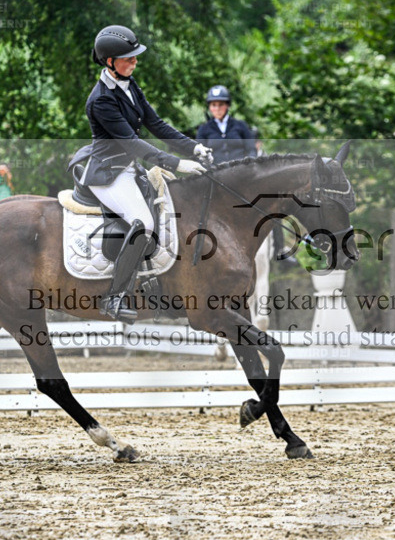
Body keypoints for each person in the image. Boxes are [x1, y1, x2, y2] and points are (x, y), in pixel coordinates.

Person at [74, 25, 212, 323]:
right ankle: (114, 297)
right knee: (145, 223)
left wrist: (193, 149)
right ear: (110, 61)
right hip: (108, 175)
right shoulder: (100, 100)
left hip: (129, 169)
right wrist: (176, 164)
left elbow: (157, 124)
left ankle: (157, 286)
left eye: (136, 58)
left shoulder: (130, 85)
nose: (135, 62)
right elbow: (133, 144)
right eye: (129, 58)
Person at [196, 85, 258, 163]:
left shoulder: (241, 125)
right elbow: (200, 156)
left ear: (227, 105)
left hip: (241, 170)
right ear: (209, 107)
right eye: (214, 105)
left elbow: (251, 149)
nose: (217, 109)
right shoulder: (203, 129)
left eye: (221, 105)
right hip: (216, 172)